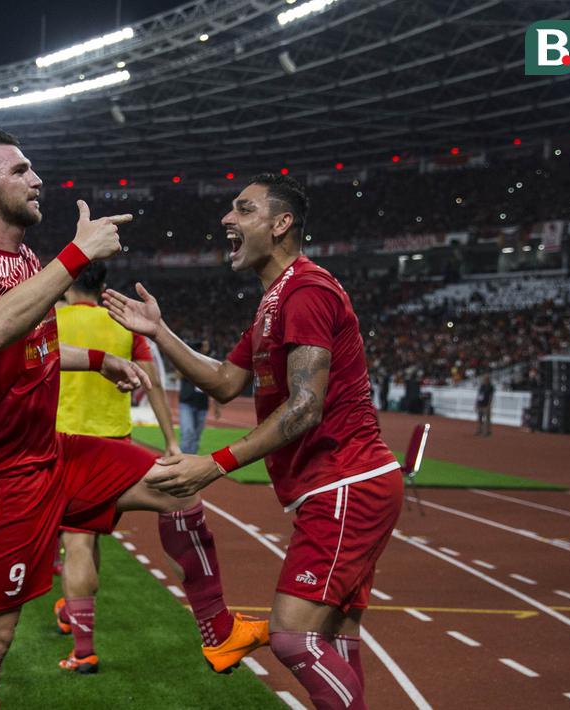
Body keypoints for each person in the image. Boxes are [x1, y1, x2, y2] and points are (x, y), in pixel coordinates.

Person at [0, 127, 264, 709]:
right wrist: (77, 253)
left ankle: (218, 632)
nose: (37, 180)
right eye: (21, 171)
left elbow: (32, 345)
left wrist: (98, 359)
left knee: (178, 483)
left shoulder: (26, 259)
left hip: (52, 453)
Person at [105, 173, 402, 710]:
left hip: (345, 482)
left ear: (281, 223)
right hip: (341, 483)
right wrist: (160, 332)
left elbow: (306, 407)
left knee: (292, 636)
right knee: (333, 635)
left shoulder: (306, 292)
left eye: (243, 211)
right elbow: (224, 381)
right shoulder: (275, 300)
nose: (226, 220)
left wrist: (213, 464)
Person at [52, 262, 181, 674]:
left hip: (66, 445)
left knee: (76, 543)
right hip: (116, 447)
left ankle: (84, 650)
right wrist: (171, 441)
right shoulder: (122, 324)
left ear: (69, 284)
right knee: (90, 540)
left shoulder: (50, 318)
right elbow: (153, 382)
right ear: (103, 287)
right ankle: (72, 611)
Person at [177, 337, 213, 455]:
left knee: (196, 436)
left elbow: (215, 384)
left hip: (202, 404)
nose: (203, 348)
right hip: (187, 402)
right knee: (188, 433)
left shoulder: (210, 362)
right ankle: (183, 463)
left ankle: (191, 462)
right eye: (201, 346)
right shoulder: (185, 361)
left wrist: (217, 406)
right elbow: (179, 374)